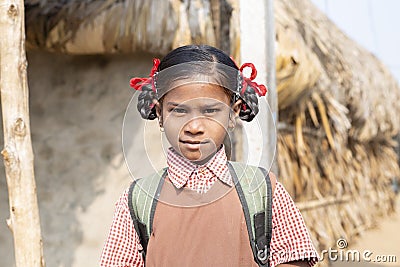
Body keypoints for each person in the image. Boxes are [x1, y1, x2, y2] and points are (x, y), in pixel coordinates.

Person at [100, 45, 319, 267]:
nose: (194, 126)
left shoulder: (263, 190)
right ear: (160, 113)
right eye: (179, 110)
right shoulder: (138, 200)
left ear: (233, 114)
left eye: (210, 111)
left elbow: (295, 259)